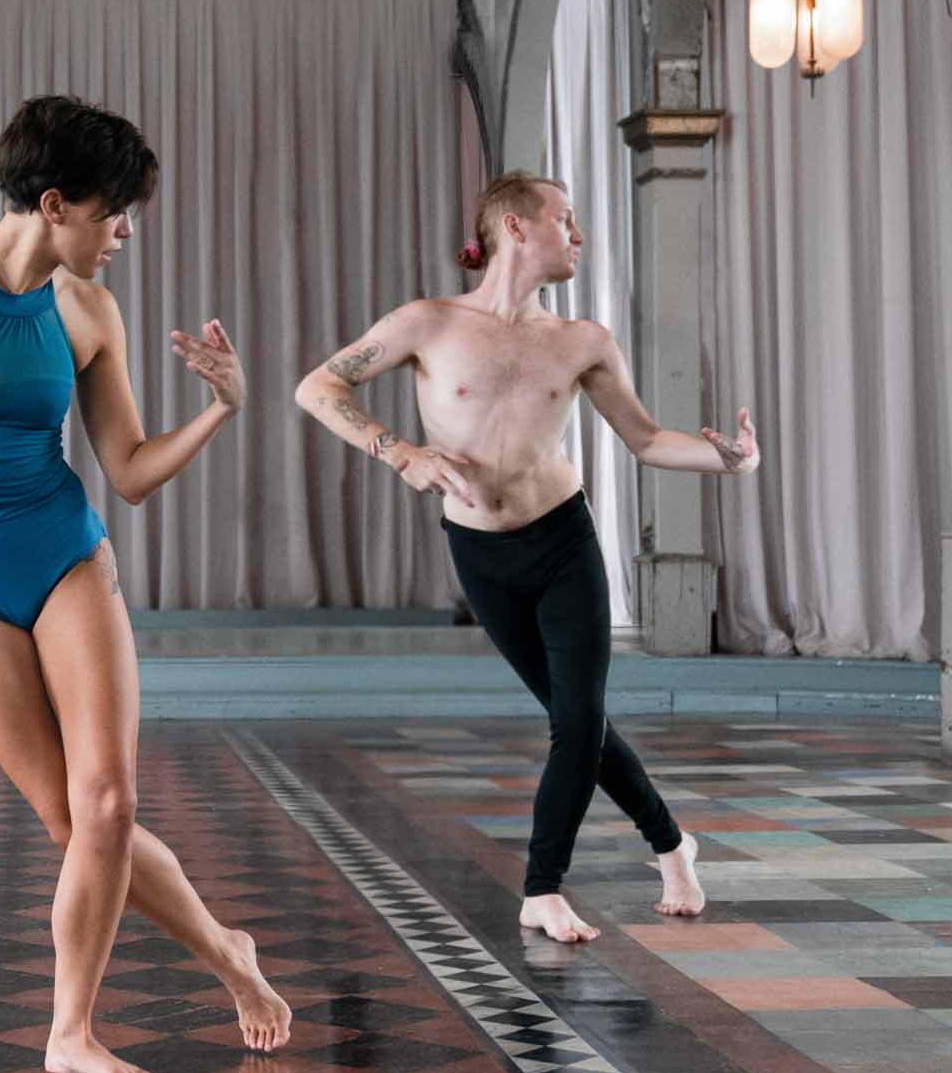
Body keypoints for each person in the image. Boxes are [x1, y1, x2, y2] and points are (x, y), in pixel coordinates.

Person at [0, 94, 292, 1073]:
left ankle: (70, 1031)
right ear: (54, 203)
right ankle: (227, 952)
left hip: (63, 557)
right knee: (66, 818)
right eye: (113, 210)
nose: (124, 231)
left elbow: (127, 469)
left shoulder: (88, 311)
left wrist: (221, 409)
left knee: (110, 802)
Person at [295, 172, 757, 944]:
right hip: (480, 553)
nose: (577, 235)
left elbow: (646, 440)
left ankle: (542, 888)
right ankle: (672, 844)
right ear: (513, 226)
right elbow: (317, 388)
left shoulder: (582, 341)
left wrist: (729, 461)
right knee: (579, 723)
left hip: (561, 542)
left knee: (576, 722)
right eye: (563, 219)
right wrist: (399, 452)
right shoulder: (427, 323)